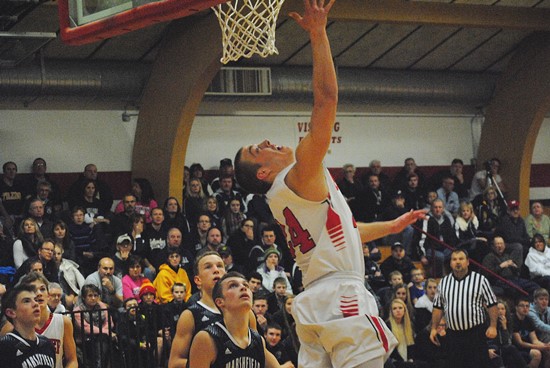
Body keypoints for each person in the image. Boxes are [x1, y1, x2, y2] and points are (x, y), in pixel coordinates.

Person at [234, 1, 427, 366]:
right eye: (257, 150)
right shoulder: (299, 173)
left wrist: (392, 226)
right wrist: (319, 34)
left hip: (313, 303)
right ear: (262, 173)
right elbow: (326, 101)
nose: (267, 142)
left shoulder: (284, 197)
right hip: (341, 296)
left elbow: (344, 233)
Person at [188, 272, 281, 367]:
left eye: (246, 285)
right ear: (220, 302)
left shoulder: (258, 340)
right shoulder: (207, 339)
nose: (243, 288)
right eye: (233, 286)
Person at [430, 249, 498, 368]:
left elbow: (492, 304)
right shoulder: (443, 282)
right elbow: (437, 307)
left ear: (467, 262)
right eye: (454, 259)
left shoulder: (480, 280)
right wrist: (434, 328)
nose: (457, 262)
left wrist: (493, 326)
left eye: (461, 259)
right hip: (453, 335)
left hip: (475, 333)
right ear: (450, 263)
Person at [19, 272, 78, 368]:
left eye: (42, 289)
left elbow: (72, 360)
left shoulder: (63, 322)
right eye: (32, 290)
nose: (39, 293)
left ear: (48, 295)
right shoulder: (14, 326)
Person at [0, 283, 56, 368]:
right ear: (11, 313)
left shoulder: (47, 344)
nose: (36, 304)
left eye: (36, 300)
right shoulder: (5, 347)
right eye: (26, 301)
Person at [73, 284, 115, 368]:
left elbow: (109, 322)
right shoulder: (77, 311)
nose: (93, 298)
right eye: (90, 295)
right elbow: (86, 328)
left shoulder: (102, 306)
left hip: (102, 338)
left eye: (96, 295)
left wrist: (105, 331)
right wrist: (106, 331)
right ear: (84, 297)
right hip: (85, 340)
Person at [386, 298, 427, 368]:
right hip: (395, 361)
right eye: (394, 308)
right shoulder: (387, 326)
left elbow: (411, 345)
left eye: (400, 308)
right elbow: (391, 351)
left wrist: (410, 359)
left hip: (408, 360)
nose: (398, 310)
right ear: (391, 311)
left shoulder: (409, 325)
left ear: (404, 310)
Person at [512, 296, 550, 368]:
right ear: (516, 307)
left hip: (529, 345)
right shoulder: (513, 320)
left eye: (527, 306)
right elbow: (520, 343)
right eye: (522, 306)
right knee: (537, 354)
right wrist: (539, 347)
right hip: (517, 347)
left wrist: (545, 346)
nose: (525, 308)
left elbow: (534, 339)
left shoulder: (528, 320)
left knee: (548, 351)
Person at [487, 299, 527, 368]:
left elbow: (508, 342)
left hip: (503, 349)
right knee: (501, 349)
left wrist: (504, 327)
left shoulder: (508, 322)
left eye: (502, 309)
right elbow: (487, 340)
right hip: (492, 348)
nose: (500, 311)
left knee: (511, 354)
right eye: (498, 309)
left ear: (505, 311)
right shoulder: (488, 323)